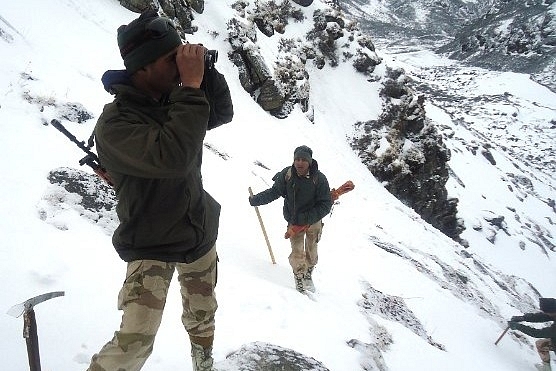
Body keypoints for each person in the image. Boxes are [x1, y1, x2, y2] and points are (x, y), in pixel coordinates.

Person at [86, 9, 233, 371]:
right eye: (172, 59)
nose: (180, 66)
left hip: (196, 231)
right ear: (143, 68)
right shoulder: (116, 124)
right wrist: (192, 87)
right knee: (134, 342)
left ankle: (203, 357)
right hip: (151, 243)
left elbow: (220, 114)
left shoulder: (170, 100)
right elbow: (175, 157)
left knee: (202, 313)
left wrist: (205, 72)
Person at [249, 145, 332, 293]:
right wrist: (257, 199)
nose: (299, 163)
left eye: (303, 160)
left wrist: (307, 218)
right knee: (297, 252)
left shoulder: (319, 179)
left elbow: (325, 204)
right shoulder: (287, 175)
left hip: (314, 221)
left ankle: (308, 274)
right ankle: (299, 277)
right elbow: (274, 192)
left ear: (310, 162)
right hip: (294, 222)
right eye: (297, 159)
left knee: (312, 252)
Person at [508, 297, 556, 371]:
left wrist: (518, 326)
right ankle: (547, 369)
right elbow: (542, 317)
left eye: (546, 312)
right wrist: (523, 318)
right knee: (541, 344)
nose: (546, 314)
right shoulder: (554, 311)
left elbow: (538, 333)